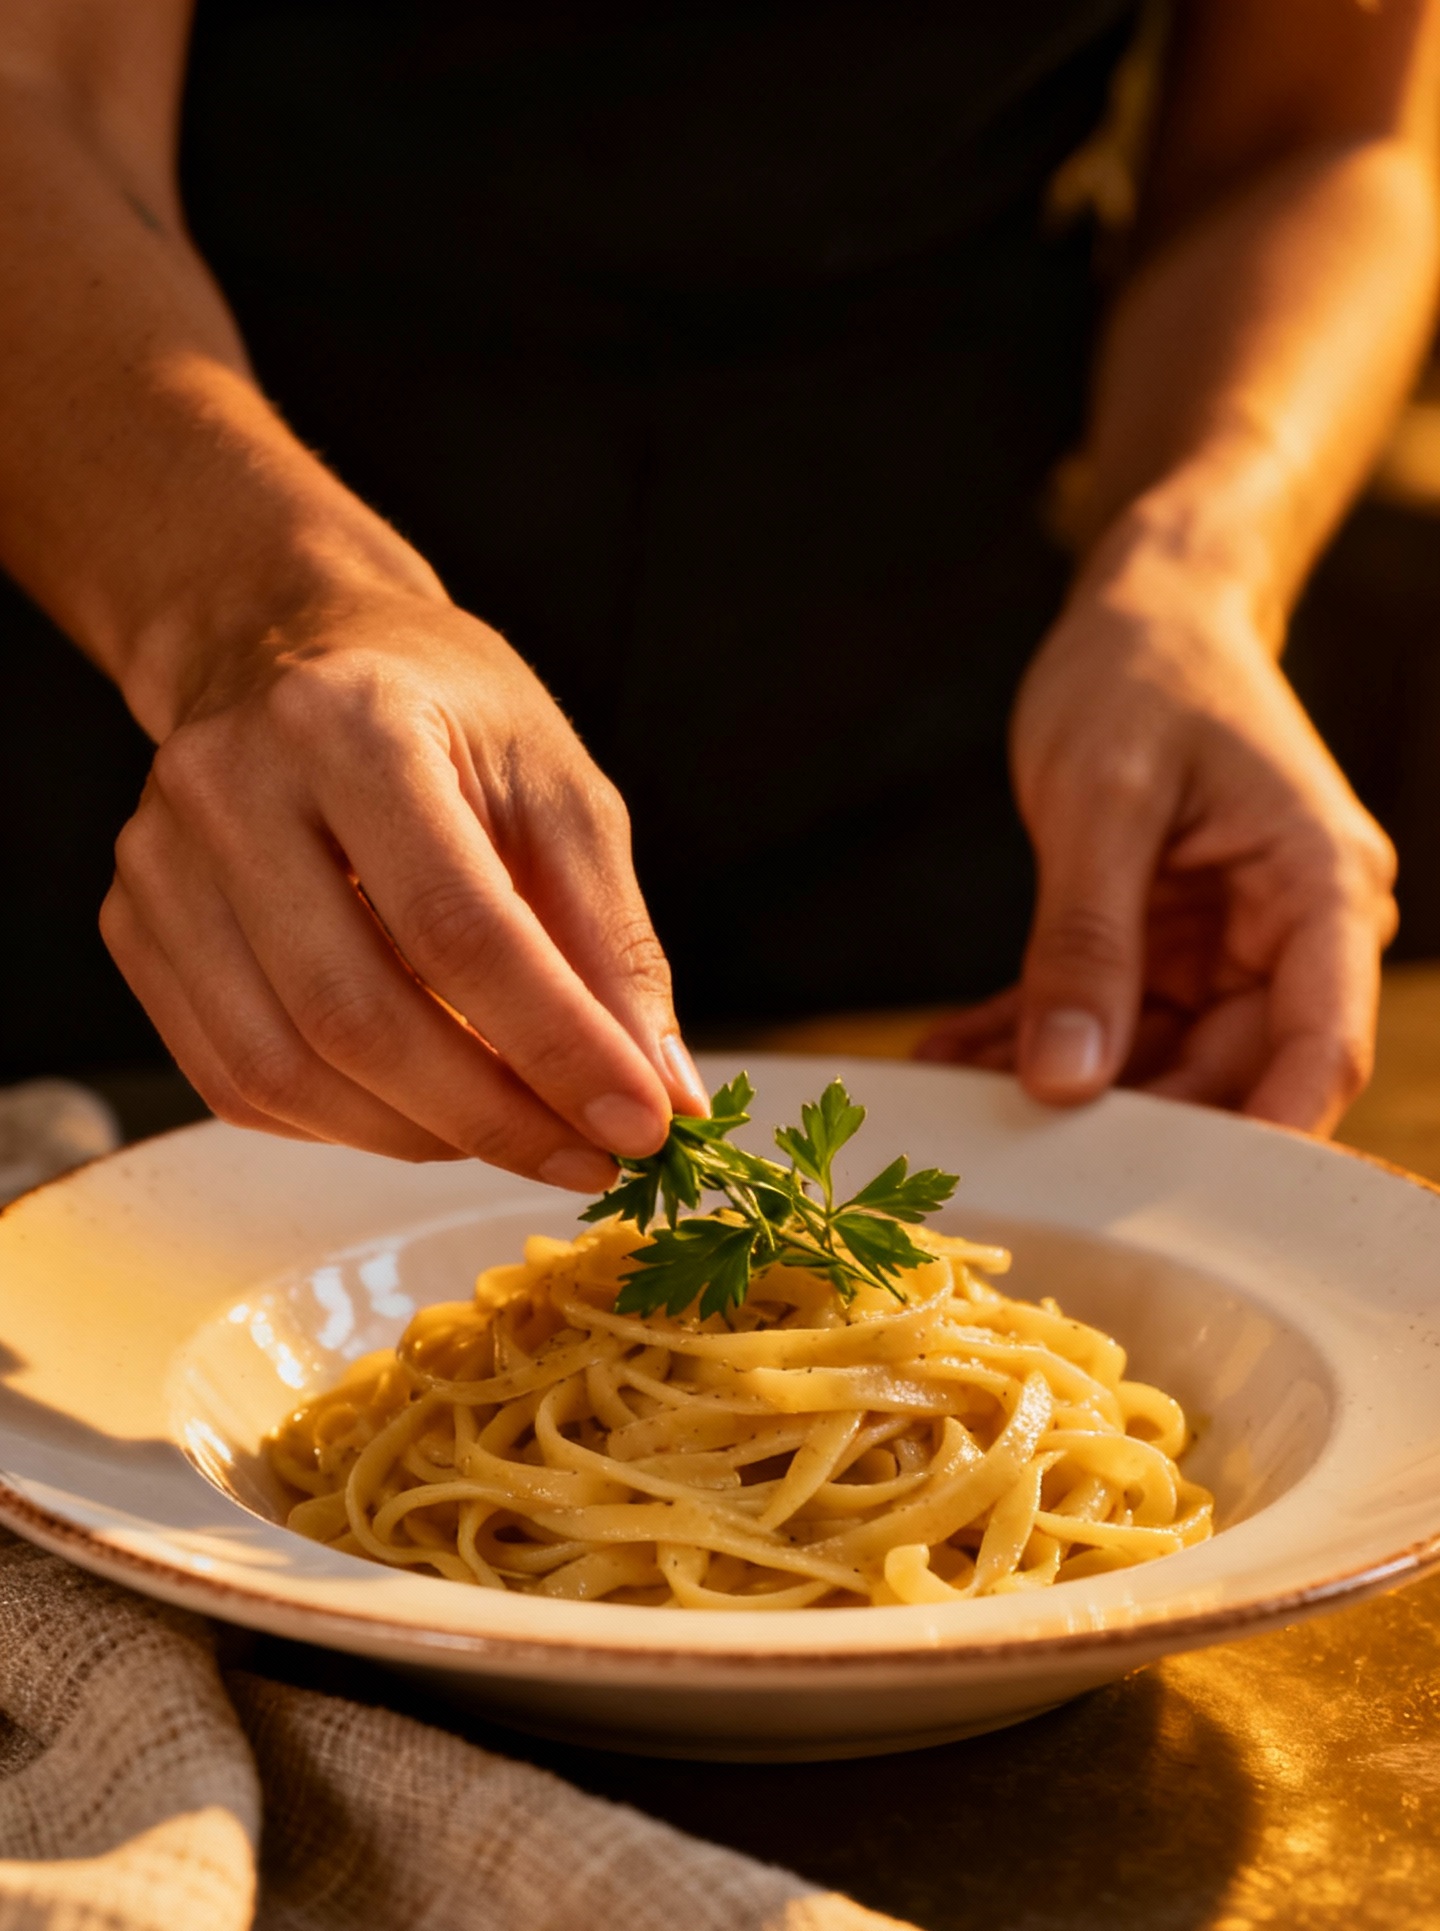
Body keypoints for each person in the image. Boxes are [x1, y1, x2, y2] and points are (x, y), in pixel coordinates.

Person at [0, 1, 1433, 1187]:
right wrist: (254, 609)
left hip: (942, 722)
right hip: (168, 626)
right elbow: (32, 90)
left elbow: (1320, 137)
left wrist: (1193, 577)